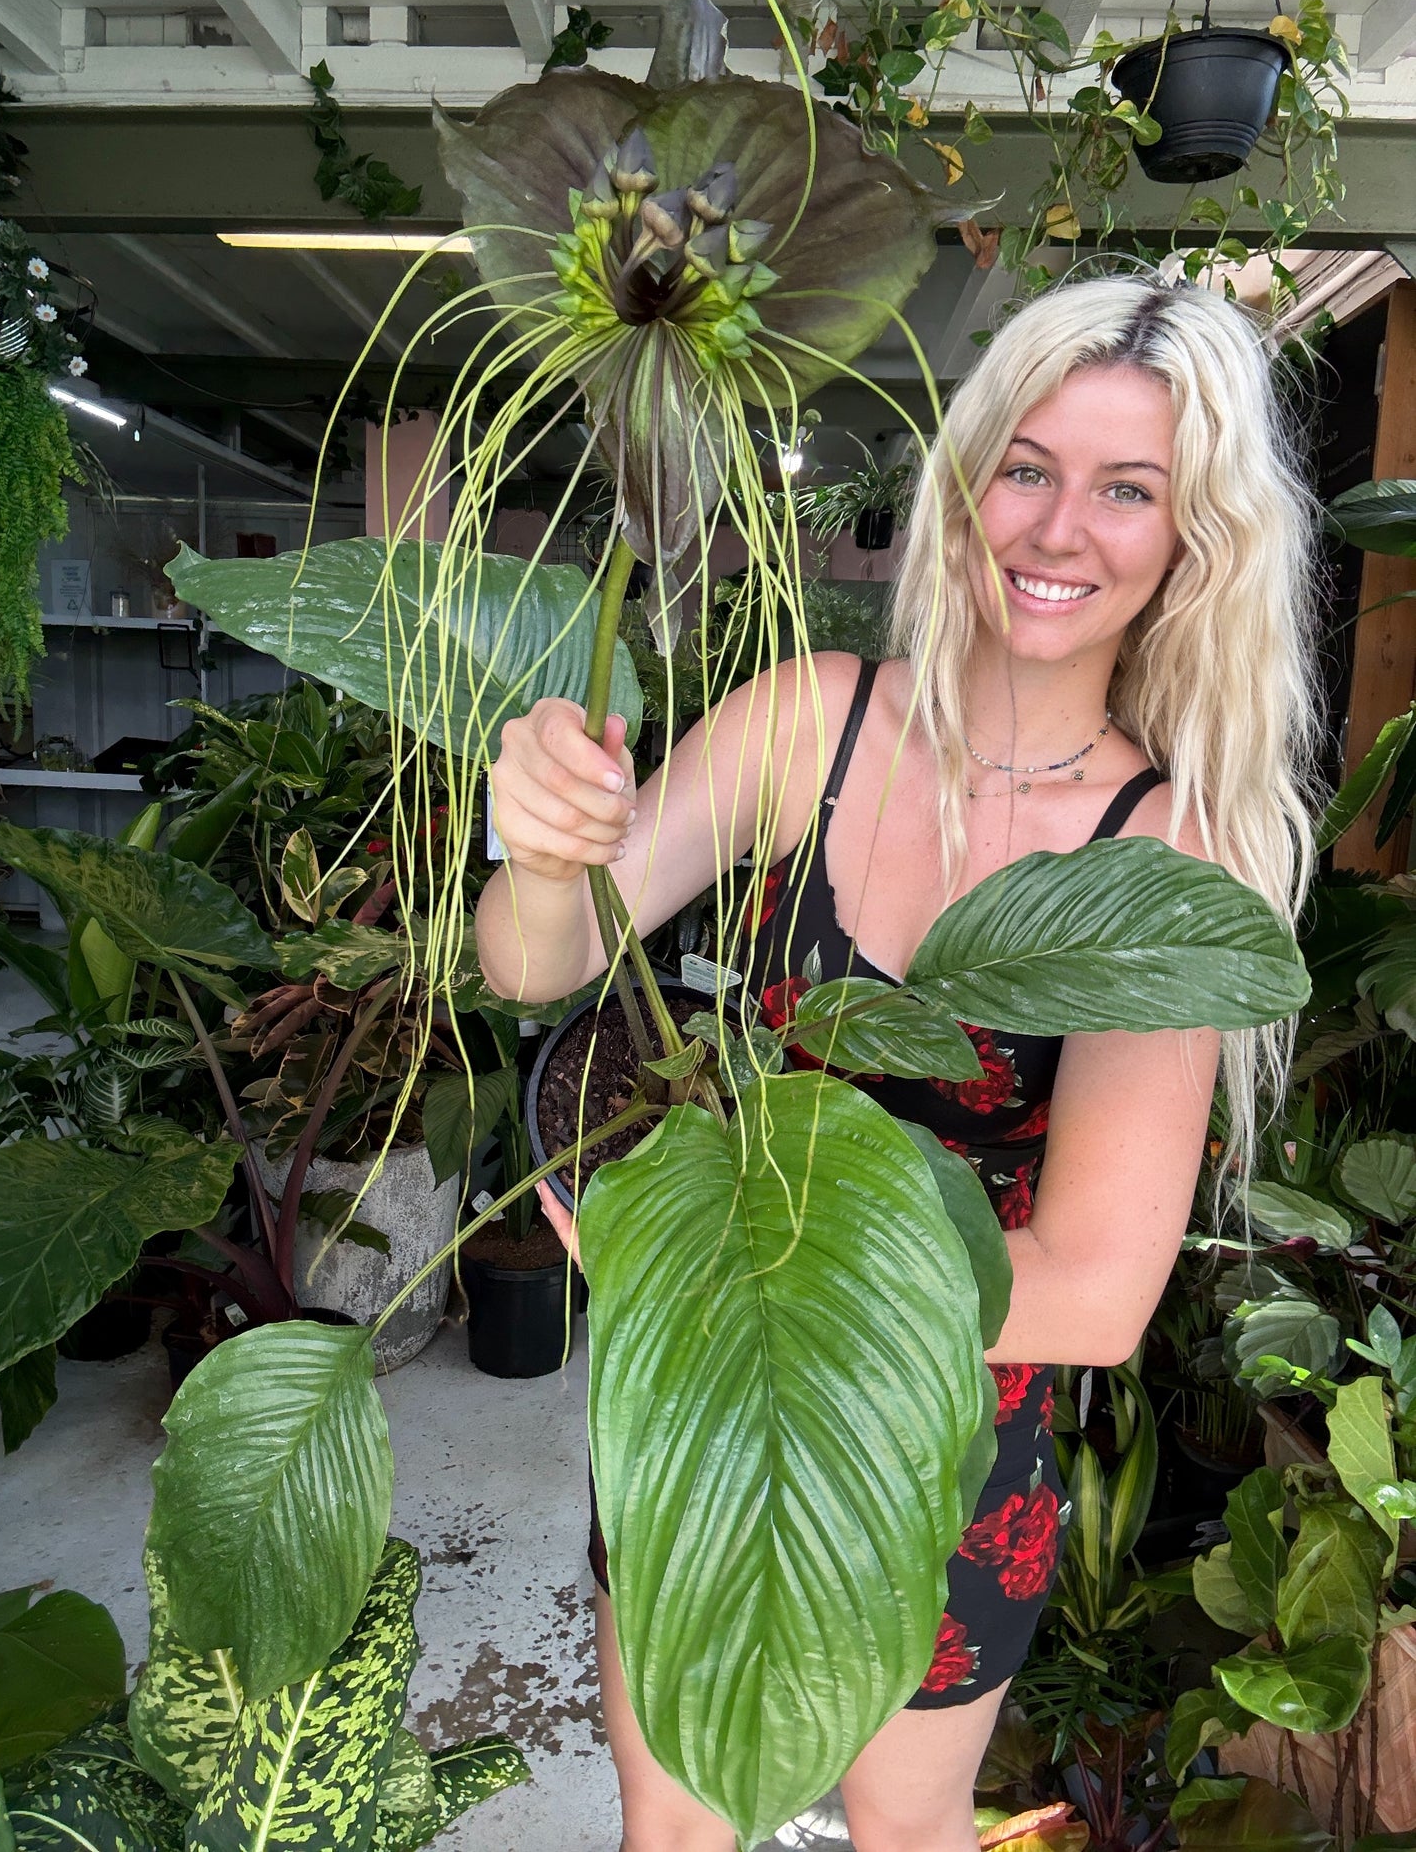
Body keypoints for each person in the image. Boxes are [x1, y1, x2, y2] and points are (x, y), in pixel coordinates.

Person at [474, 275, 1320, 1852]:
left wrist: (717, 1272)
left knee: (905, 1840)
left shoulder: (1165, 854)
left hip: (937, 1441)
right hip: (706, 1420)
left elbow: (1091, 1288)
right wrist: (539, 846)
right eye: (1027, 467)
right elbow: (539, 966)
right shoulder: (813, 721)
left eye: (1125, 489)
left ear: (1190, 542)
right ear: (964, 483)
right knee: (668, 1832)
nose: (1059, 528)